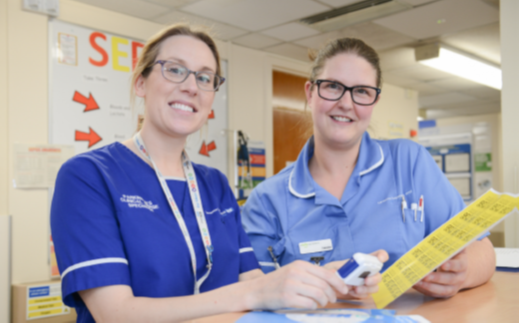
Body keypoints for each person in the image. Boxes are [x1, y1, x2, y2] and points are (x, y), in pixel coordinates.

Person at [50, 25, 386, 323]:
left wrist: (321, 277)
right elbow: (116, 314)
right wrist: (252, 295)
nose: (191, 87)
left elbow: (252, 281)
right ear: (141, 82)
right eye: (175, 70)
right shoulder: (88, 177)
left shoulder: (213, 185)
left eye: (204, 77)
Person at [241, 37, 495, 299]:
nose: (346, 103)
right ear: (310, 93)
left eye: (361, 91)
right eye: (333, 87)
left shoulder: (409, 161)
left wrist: (462, 272)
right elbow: (254, 292)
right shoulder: (267, 201)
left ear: (374, 101)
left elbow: (482, 248)